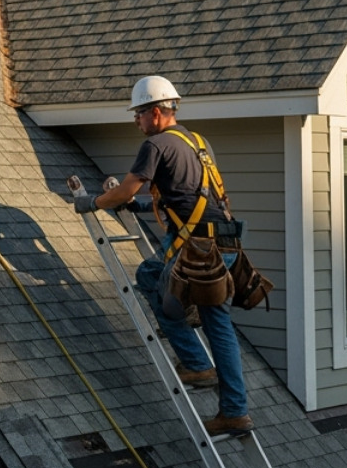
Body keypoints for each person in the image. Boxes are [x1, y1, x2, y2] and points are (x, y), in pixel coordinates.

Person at [78, 76, 252, 435]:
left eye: (139, 114)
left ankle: (196, 364)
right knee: (219, 327)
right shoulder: (198, 143)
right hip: (225, 247)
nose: (137, 122)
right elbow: (186, 199)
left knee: (152, 282)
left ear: (156, 113)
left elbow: (127, 187)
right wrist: (135, 204)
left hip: (198, 253)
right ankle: (234, 412)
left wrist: (92, 203)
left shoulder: (156, 145)